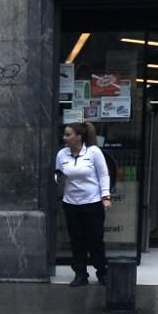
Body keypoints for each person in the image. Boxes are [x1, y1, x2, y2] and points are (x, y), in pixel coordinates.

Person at [55, 122, 110, 287]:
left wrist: (105, 196)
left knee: (95, 240)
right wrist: (56, 178)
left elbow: (103, 175)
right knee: (76, 240)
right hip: (71, 203)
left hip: (92, 203)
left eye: (68, 135)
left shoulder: (93, 152)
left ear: (78, 137)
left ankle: (102, 272)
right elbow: (57, 172)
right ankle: (80, 274)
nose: (64, 138)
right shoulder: (62, 154)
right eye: (64, 134)